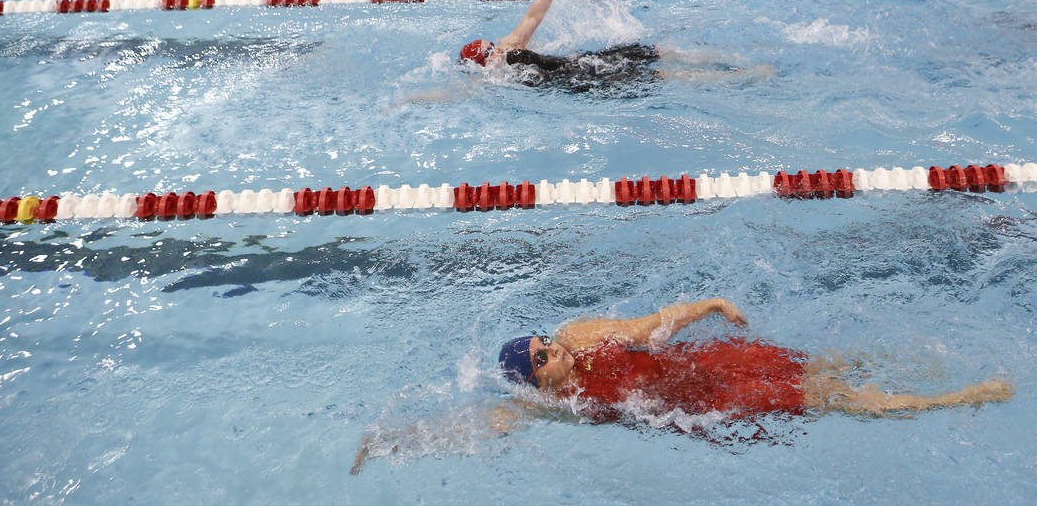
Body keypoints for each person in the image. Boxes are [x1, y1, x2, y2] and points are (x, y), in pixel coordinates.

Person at [351, 298, 1012, 473]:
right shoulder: (547, 406)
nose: (554, 350)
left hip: (707, 368)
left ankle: (927, 361)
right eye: (543, 356)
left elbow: (649, 325)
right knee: (831, 399)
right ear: (536, 380)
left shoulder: (581, 335)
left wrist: (711, 305)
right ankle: (959, 397)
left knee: (827, 363)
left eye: (545, 343)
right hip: (705, 407)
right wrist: (392, 442)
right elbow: (475, 427)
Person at [459, 0, 665, 93]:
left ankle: (693, 58)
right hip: (577, 82)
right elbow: (455, 94)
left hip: (580, 63)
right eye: (488, 52)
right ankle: (693, 78)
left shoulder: (509, 46)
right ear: (480, 65)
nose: (496, 50)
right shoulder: (489, 78)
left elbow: (533, 17)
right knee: (650, 77)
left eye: (492, 46)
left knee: (646, 51)